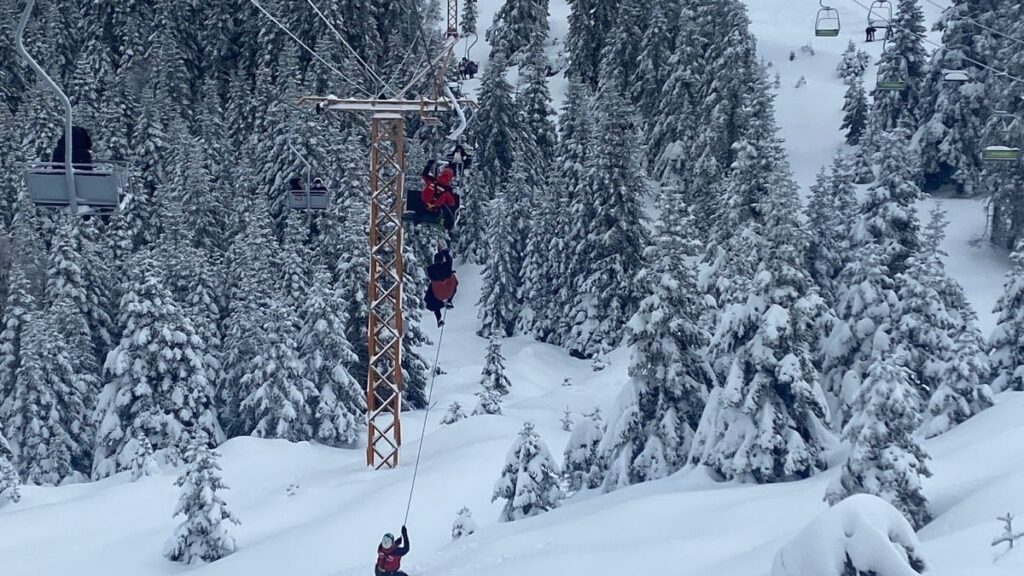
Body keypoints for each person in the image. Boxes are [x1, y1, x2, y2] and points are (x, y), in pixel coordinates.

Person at [421, 159, 460, 231]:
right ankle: (442, 226)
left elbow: (424, 175)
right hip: (435, 209)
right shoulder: (447, 190)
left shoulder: (432, 180)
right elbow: (452, 203)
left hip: (423, 205)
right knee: (445, 210)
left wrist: (429, 165)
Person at [424, 244, 458, 327]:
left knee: (432, 298)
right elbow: (449, 260)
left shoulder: (430, 270)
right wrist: (445, 252)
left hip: (437, 294)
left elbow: (429, 271)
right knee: (455, 281)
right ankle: (449, 301)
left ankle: (439, 318)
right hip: (449, 291)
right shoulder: (446, 266)